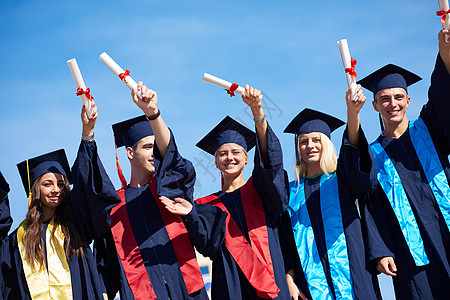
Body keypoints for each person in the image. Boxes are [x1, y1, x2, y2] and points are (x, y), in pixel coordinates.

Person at [161, 85, 290, 299]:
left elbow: (270, 165)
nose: (229, 157)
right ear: (216, 162)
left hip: (270, 278)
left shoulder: (260, 190)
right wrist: (191, 214)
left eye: (236, 152)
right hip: (230, 284)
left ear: (247, 159)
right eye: (222, 153)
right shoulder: (206, 205)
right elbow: (206, 247)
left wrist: (258, 113)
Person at [356, 29, 450, 299]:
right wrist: (382, 250)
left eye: (398, 97)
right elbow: (370, 206)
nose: (392, 104)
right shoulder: (371, 155)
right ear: (375, 105)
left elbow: (443, 94)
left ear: (408, 101)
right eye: (384, 99)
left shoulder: (429, 128)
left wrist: (444, 52)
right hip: (410, 249)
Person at [93, 82, 208, 300]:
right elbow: (105, 266)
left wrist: (153, 114)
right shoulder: (113, 207)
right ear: (129, 153)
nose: (154, 154)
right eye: (147, 147)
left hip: (187, 291)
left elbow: (174, 161)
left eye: (157, 148)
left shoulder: (170, 188)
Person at [0, 102, 120, 299]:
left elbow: (85, 181)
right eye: (48, 184)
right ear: (35, 190)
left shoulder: (76, 222)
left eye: (61, 184)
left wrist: (87, 133)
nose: (56, 189)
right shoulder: (17, 239)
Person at [279, 85, 381, 300]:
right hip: (309, 282)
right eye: (303, 142)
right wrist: (289, 279)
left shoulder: (341, 179)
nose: (310, 146)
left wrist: (353, 114)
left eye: (317, 140)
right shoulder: (291, 192)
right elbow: (285, 242)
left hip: (353, 271)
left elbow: (354, 152)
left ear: (327, 143)